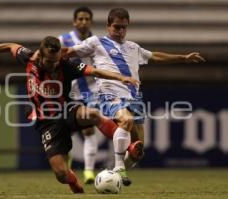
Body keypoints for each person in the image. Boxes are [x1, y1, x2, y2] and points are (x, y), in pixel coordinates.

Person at [0, 36, 140, 193]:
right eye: (50, 62)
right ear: (41, 54)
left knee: (93, 114)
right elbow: (9, 46)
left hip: (67, 110)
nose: (54, 65)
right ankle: (73, 182)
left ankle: (129, 147)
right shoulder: (29, 57)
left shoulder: (66, 64)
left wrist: (120, 78)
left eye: (56, 61)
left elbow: (94, 71)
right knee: (61, 174)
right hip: (47, 122)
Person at [64, 8, 205, 186]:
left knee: (138, 149)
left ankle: (114, 173)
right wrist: (41, 56)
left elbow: (155, 56)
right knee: (126, 120)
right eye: (116, 27)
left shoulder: (133, 47)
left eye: (124, 27)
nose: (120, 31)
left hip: (134, 97)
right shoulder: (95, 42)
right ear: (108, 26)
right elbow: (68, 52)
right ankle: (119, 167)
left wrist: (183, 58)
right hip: (109, 93)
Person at [58, 6, 98, 184]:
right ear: (74, 21)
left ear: (91, 21)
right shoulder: (63, 40)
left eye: (86, 19)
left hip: (92, 92)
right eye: (80, 19)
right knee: (69, 129)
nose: (83, 22)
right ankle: (70, 162)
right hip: (70, 91)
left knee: (89, 129)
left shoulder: (97, 41)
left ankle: (89, 171)